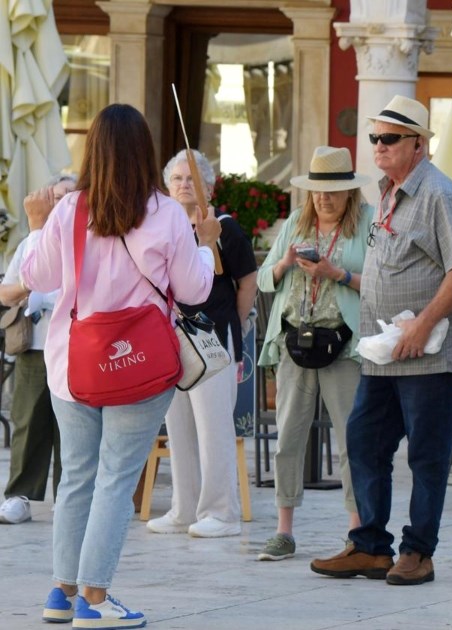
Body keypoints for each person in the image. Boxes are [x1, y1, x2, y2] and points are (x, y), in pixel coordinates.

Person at [22, 103, 218, 629]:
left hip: (73, 365)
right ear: (145, 154)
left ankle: (62, 593)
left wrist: (36, 225)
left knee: (78, 478)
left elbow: (36, 274)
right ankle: (95, 597)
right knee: (115, 479)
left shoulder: (69, 211)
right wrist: (204, 246)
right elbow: (196, 289)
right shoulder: (166, 214)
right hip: (140, 363)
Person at [309, 96, 452, 585]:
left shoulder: (439, 195)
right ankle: (369, 546)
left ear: (419, 144)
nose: (378, 147)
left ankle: (418, 552)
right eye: (375, 139)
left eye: (389, 139)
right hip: (383, 351)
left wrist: (423, 324)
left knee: (426, 454)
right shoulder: (388, 191)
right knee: (363, 440)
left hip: (426, 353)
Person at [256, 146, 373, 561]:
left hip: (344, 346)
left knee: (351, 441)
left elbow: (380, 284)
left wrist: (335, 274)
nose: (325, 198)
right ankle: (283, 531)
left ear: (350, 193)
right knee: (288, 437)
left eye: (334, 190)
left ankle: (358, 532)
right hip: (294, 344)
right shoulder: (294, 224)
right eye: (318, 191)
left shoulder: (369, 226)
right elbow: (263, 282)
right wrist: (285, 263)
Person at [145, 150, 257, 539]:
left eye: (191, 179)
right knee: (178, 426)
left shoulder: (225, 228)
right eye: (176, 179)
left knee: (213, 428)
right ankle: (185, 508)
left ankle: (221, 512)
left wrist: (234, 330)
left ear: (208, 187)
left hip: (213, 337)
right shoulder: (164, 230)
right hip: (171, 340)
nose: (183, 185)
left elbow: (247, 283)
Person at [0, 175, 75, 525]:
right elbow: (8, 290)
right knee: (28, 420)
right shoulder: (34, 240)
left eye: (68, 197)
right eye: (55, 197)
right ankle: (19, 496)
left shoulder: (85, 238)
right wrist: (35, 229)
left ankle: (69, 496)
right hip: (36, 344)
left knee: (73, 425)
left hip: (77, 346)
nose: (60, 204)